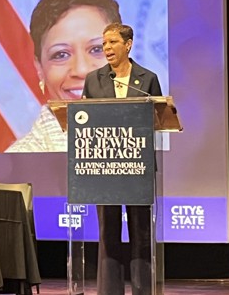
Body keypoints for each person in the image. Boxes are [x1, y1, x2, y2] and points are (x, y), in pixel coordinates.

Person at [82, 22, 162, 295]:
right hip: (104, 167)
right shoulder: (94, 80)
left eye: (113, 42)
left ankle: (143, 290)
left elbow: (159, 119)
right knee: (108, 233)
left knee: (141, 233)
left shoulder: (147, 78)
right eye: (104, 44)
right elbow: (84, 122)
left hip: (137, 166)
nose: (107, 48)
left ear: (128, 44)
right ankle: (109, 291)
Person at [7, 0, 121, 152]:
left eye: (98, 49)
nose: (81, 70)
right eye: (61, 55)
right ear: (39, 68)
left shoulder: (158, 141)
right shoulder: (20, 159)